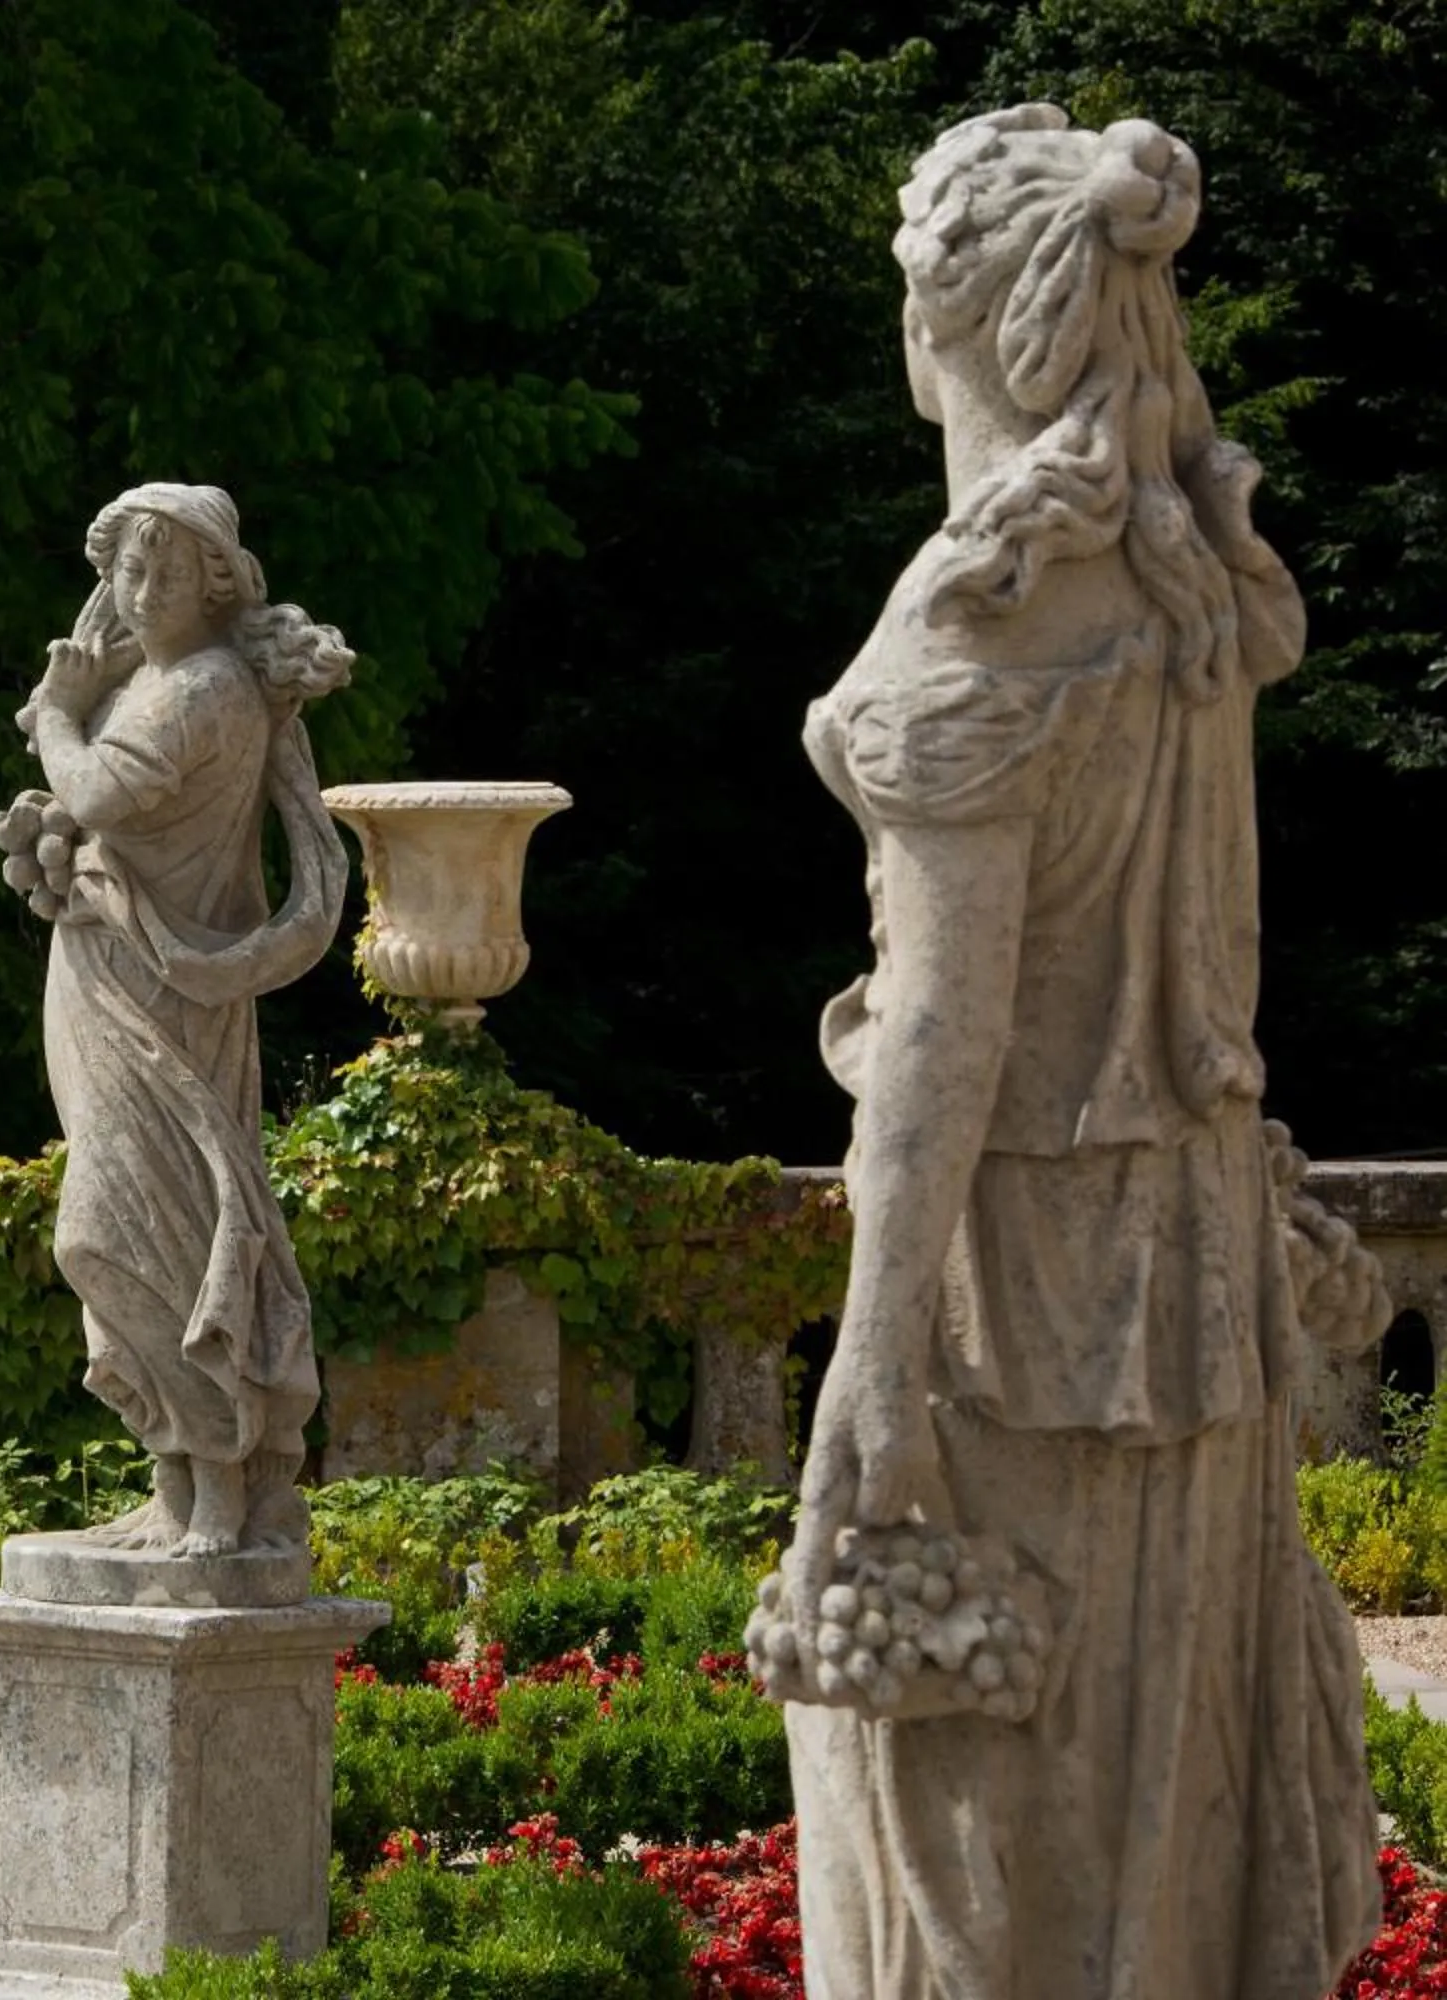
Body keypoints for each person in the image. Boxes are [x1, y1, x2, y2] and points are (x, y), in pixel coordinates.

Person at [782, 106, 1379, 1998]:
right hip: (1180, 1273)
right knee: (1157, 1784)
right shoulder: (1193, 590)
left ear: (933, 329)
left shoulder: (985, 628)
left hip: (1018, 1293)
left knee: (979, 1821)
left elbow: (944, 1042)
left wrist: (867, 1359)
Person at [4, 484, 347, 1557]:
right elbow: (97, 816)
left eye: (161, 571)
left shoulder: (198, 688)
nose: (137, 592)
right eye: (125, 570)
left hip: (160, 989)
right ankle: (179, 1482)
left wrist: (59, 715)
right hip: (109, 974)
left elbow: (103, 794)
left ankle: (223, 1483)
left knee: (118, 1229)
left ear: (212, 582)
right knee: (155, 1224)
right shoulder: (163, 680)